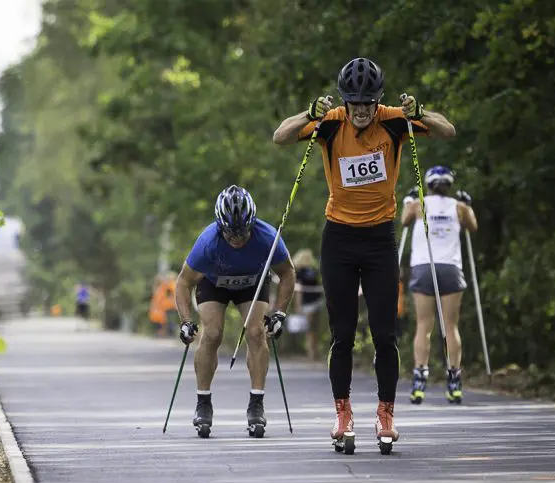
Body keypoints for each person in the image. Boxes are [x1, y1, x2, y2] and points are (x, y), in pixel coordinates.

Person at [272, 57, 456, 454]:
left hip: (379, 241)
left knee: (385, 334)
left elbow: (447, 130)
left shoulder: (393, 121)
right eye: (353, 103)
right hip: (338, 239)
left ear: (378, 102)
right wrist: (308, 114)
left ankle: (386, 414)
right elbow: (280, 137)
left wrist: (419, 112)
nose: (360, 111)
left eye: (367, 104)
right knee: (341, 333)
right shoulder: (332, 122)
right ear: (344, 101)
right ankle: (343, 414)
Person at [175, 185, 296, 438]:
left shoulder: (267, 237)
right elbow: (183, 282)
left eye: (242, 233)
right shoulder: (208, 241)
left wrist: (279, 314)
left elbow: (287, 273)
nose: (237, 239)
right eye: (231, 234)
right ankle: (203, 404)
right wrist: (186, 321)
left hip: (253, 282)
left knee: (256, 332)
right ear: (221, 227)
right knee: (212, 333)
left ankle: (256, 406)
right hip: (214, 283)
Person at [401, 166, 477, 404]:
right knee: (450, 326)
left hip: (424, 266)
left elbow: (404, 220)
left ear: (428, 184)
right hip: (450, 268)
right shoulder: (459, 207)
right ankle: (454, 379)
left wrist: (408, 200)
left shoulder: (418, 205)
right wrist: (468, 204)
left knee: (424, 325)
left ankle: (419, 378)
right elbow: (472, 227)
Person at [291, 248, 324, 360]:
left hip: (307, 304)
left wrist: (297, 306)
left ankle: (311, 353)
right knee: (315, 329)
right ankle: (315, 352)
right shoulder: (313, 271)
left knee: (309, 330)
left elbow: (299, 291)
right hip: (318, 302)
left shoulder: (299, 273)